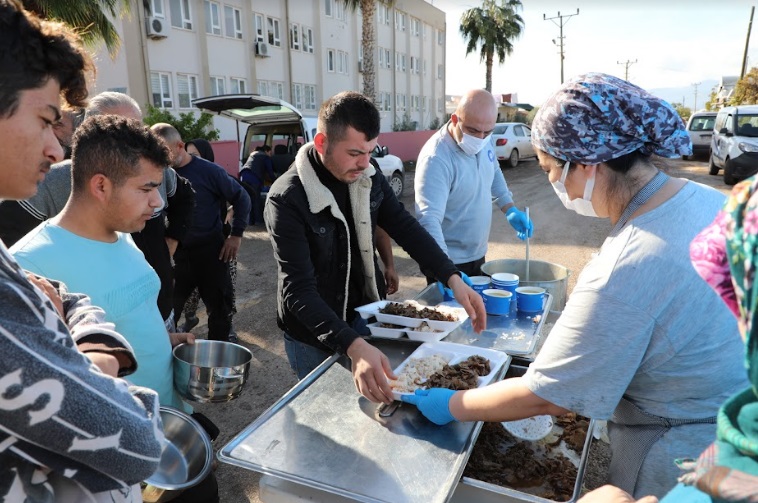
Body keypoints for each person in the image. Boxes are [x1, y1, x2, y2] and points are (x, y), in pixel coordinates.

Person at [401, 73, 749, 498]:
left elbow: (547, 397)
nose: (552, 182)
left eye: (549, 169)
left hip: (683, 457)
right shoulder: (709, 200)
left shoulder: (625, 267)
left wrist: (451, 404)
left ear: (586, 163)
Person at [0, 1, 163, 500]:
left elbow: (63, 299)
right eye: (48, 120)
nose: (55, 149)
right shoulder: (28, 256)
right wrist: (101, 356)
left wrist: (76, 334)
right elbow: (134, 441)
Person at [264, 91, 486, 404]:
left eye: (370, 151)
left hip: (365, 317)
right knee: (329, 411)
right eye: (355, 153)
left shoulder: (368, 175)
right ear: (322, 143)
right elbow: (297, 291)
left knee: (372, 411)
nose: (365, 163)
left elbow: (406, 228)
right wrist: (352, 345)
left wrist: (451, 276)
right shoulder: (287, 198)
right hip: (313, 336)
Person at [12, 114, 195, 412]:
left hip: (172, 418)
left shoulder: (123, 234)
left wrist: (163, 342)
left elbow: (131, 313)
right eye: (146, 189)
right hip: (119, 441)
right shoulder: (30, 264)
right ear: (101, 186)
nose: (158, 203)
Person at [0, 91, 195, 330]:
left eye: (137, 129)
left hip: (161, 313)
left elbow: (185, 197)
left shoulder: (125, 225)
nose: (157, 202)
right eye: (114, 131)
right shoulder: (34, 254)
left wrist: (172, 241)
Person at [414, 89, 533, 282]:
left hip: (477, 255)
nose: (480, 138)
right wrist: (445, 271)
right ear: (455, 120)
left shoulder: (483, 139)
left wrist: (509, 208)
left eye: (487, 131)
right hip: (447, 260)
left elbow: (493, 172)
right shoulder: (436, 158)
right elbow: (429, 220)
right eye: (473, 131)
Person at [152, 123, 251, 342]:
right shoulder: (157, 174)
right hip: (176, 254)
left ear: (179, 146)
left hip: (211, 252)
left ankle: (218, 359)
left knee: (219, 311)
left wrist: (235, 236)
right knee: (165, 312)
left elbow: (242, 197)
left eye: (165, 152)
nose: (161, 159)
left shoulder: (209, 171)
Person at [182, 138, 241, 338]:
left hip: (220, 245)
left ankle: (226, 327)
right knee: (191, 293)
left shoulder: (215, 174)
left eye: (195, 155)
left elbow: (243, 195)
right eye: (189, 153)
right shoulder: (179, 175)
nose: (191, 159)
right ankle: (190, 318)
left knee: (222, 292)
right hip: (191, 248)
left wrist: (231, 215)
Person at [240, 144, 277, 225]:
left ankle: (250, 221)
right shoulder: (265, 157)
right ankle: (258, 221)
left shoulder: (252, 155)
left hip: (243, 176)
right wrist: (276, 181)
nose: (270, 155)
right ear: (266, 151)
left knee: (248, 199)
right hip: (254, 178)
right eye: (270, 153)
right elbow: (270, 171)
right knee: (256, 199)